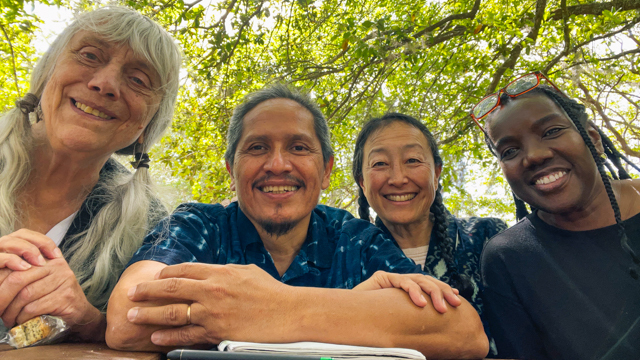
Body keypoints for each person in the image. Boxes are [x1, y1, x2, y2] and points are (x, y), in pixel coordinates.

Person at [106, 85, 489, 359]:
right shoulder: (197, 226)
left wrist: (275, 308)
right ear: (231, 169)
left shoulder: (356, 239)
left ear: (325, 172)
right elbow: (127, 318)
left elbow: (463, 331)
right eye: (257, 148)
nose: (277, 164)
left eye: (298, 147)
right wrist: (353, 311)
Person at [0, 7, 181, 342]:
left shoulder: (152, 229)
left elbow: (142, 339)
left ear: (148, 125)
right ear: (46, 74)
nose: (104, 83)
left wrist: (85, 320)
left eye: (138, 80)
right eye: (89, 55)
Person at [471, 71, 640, 359]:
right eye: (510, 150)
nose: (534, 156)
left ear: (593, 139)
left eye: (551, 132)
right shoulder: (507, 259)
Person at [351, 113, 507, 354]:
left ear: (436, 172)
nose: (398, 178)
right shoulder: (347, 256)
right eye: (380, 163)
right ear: (362, 181)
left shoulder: (488, 239)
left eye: (412, 160)